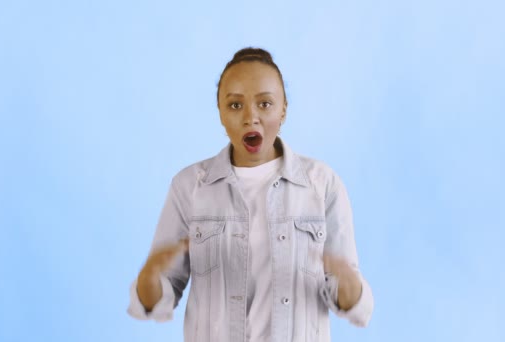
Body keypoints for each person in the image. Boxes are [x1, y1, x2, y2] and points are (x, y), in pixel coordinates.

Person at [128, 47, 374, 342]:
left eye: (265, 104)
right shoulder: (189, 187)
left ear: (283, 109)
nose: (250, 117)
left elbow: (356, 306)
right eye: (235, 105)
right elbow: (156, 299)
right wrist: (149, 278)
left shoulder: (323, 185)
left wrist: (346, 280)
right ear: (219, 112)